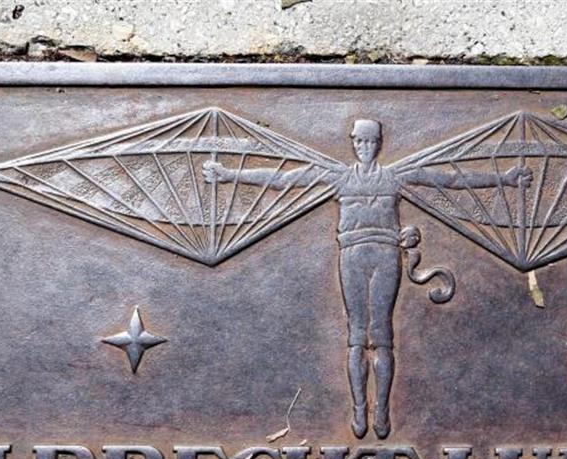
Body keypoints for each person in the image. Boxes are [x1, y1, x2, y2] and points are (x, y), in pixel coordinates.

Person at [204, 119, 530, 438]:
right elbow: (282, 179)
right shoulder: (339, 178)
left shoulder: (394, 178)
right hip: (352, 256)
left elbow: (449, 180)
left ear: (379, 144)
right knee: (357, 335)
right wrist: (229, 174)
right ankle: (359, 408)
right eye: (359, 141)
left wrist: (505, 178)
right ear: (352, 143)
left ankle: (383, 409)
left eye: (371, 141)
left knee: (382, 334)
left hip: (386, 257)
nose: (365, 147)